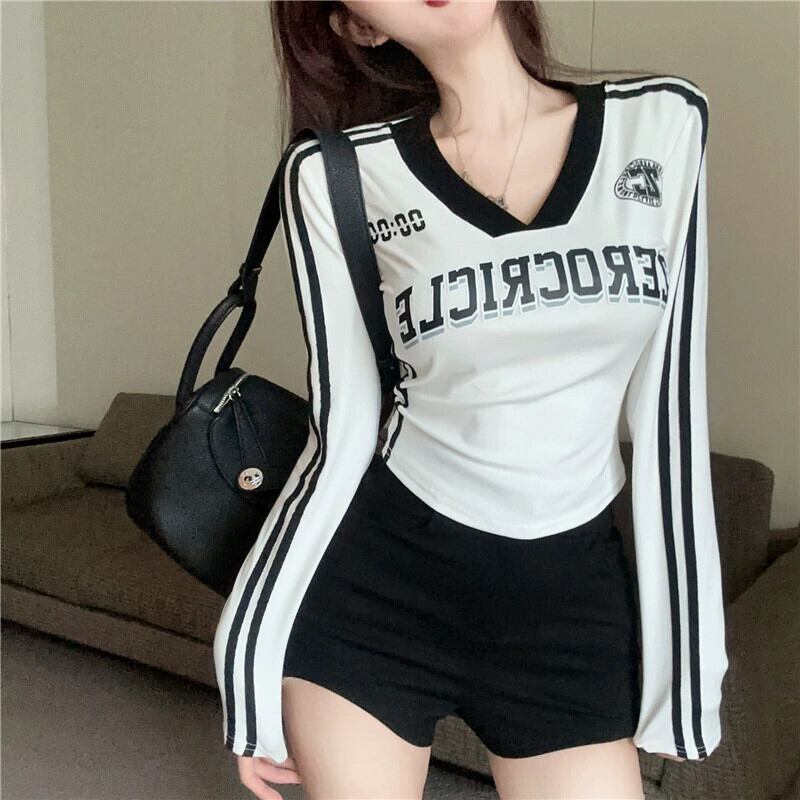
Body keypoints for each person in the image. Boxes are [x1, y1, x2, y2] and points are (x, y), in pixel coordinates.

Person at [213, 1, 729, 798]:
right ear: (358, 27)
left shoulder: (661, 124)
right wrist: (247, 665)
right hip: (376, 591)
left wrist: (689, 671)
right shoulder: (337, 175)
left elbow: (671, 414)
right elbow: (339, 436)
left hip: (569, 607)